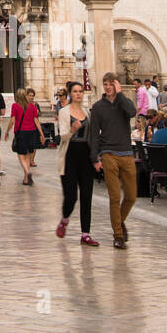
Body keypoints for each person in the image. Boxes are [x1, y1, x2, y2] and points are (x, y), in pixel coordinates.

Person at [89, 72, 137, 250]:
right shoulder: (98, 107)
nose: (108, 87)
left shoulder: (124, 104)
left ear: (116, 84)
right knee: (115, 197)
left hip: (126, 152)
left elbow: (132, 112)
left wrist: (121, 93)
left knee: (131, 195)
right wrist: (95, 158)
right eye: (106, 84)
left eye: (111, 84)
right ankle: (118, 235)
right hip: (109, 154)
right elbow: (94, 135)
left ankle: (120, 221)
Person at [55, 80, 99, 246]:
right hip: (69, 156)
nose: (78, 94)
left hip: (85, 156)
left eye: (80, 91)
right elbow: (62, 137)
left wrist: (96, 157)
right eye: (75, 91)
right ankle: (64, 219)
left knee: (87, 195)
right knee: (71, 196)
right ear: (70, 94)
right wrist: (72, 130)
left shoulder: (87, 112)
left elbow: (92, 136)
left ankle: (85, 234)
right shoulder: (64, 112)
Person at [4, 87, 44, 185]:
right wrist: (41, 133)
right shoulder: (32, 106)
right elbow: (36, 120)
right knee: (27, 155)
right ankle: (26, 179)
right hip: (32, 132)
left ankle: (27, 171)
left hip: (21, 132)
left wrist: (7, 131)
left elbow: (13, 120)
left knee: (21, 155)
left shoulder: (15, 106)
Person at [25, 88, 42, 167]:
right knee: (28, 144)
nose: (31, 97)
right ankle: (28, 159)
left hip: (35, 125)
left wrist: (37, 112)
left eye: (32, 96)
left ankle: (32, 160)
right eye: (30, 95)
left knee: (34, 144)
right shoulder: (24, 105)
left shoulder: (35, 104)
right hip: (27, 126)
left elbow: (39, 114)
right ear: (26, 96)